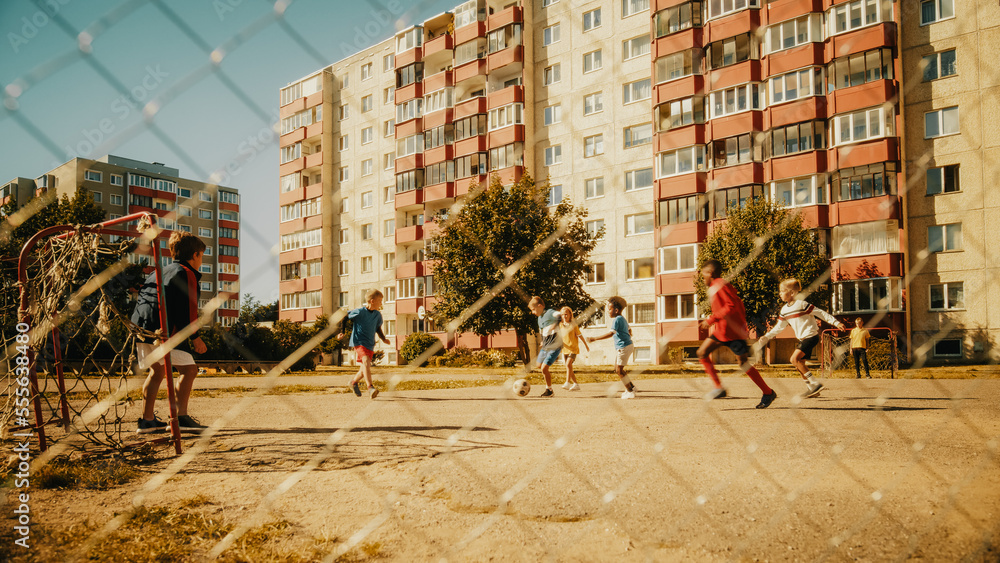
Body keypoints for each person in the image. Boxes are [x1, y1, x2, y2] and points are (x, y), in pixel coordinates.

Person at [131, 231, 209, 434]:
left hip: (141, 328)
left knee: (156, 371)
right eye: (202, 255)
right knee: (189, 370)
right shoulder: (186, 273)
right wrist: (195, 338)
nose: (201, 260)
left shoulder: (157, 271)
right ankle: (180, 417)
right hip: (163, 332)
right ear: (195, 255)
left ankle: (147, 421)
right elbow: (188, 310)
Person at [697, 260, 777, 409]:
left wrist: (711, 319)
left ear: (710, 273)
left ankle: (768, 392)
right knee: (702, 352)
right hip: (722, 331)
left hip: (733, 333)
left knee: (744, 364)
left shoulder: (720, 284)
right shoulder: (716, 286)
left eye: (703, 276)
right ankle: (718, 388)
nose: (703, 279)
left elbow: (731, 305)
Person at [755, 278, 845, 398]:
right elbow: (779, 327)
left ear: (792, 293)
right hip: (803, 339)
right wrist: (766, 336)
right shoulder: (785, 310)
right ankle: (812, 389)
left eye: (782, 291)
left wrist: (836, 323)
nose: (780, 294)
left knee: (794, 359)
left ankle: (815, 383)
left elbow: (821, 313)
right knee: (799, 363)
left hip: (811, 336)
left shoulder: (803, 305)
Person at [589, 297, 637, 400]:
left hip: (624, 347)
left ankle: (630, 391)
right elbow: (629, 329)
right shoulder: (622, 318)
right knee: (618, 368)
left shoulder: (617, 319)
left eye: (609, 309)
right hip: (625, 346)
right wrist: (628, 334)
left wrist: (595, 338)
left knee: (619, 370)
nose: (608, 311)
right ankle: (631, 387)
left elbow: (611, 333)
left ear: (616, 310)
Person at [347, 289, 390, 399]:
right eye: (380, 301)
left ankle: (353, 382)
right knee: (366, 361)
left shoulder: (377, 315)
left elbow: (378, 328)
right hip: (358, 341)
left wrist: (384, 339)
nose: (381, 303)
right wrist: (341, 332)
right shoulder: (360, 312)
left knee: (363, 370)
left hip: (370, 344)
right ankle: (370, 387)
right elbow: (346, 316)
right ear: (372, 301)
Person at [528, 296, 561, 397]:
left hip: (554, 345)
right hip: (545, 346)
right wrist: (542, 341)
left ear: (540, 306)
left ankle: (549, 390)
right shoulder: (539, 319)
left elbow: (560, 315)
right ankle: (549, 387)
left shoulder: (550, 312)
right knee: (539, 365)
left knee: (544, 368)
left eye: (533, 309)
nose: (533, 312)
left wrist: (555, 325)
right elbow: (542, 331)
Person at [559, 306, 590, 391]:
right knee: (569, 367)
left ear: (570, 315)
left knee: (568, 364)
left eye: (566, 314)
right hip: (565, 349)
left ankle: (567, 383)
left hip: (573, 349)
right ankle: (576, 384)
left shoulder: (573, 325)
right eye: (562, 315)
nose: (564, 316)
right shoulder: (560, 325)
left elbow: (580, 335)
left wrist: (586, 345)